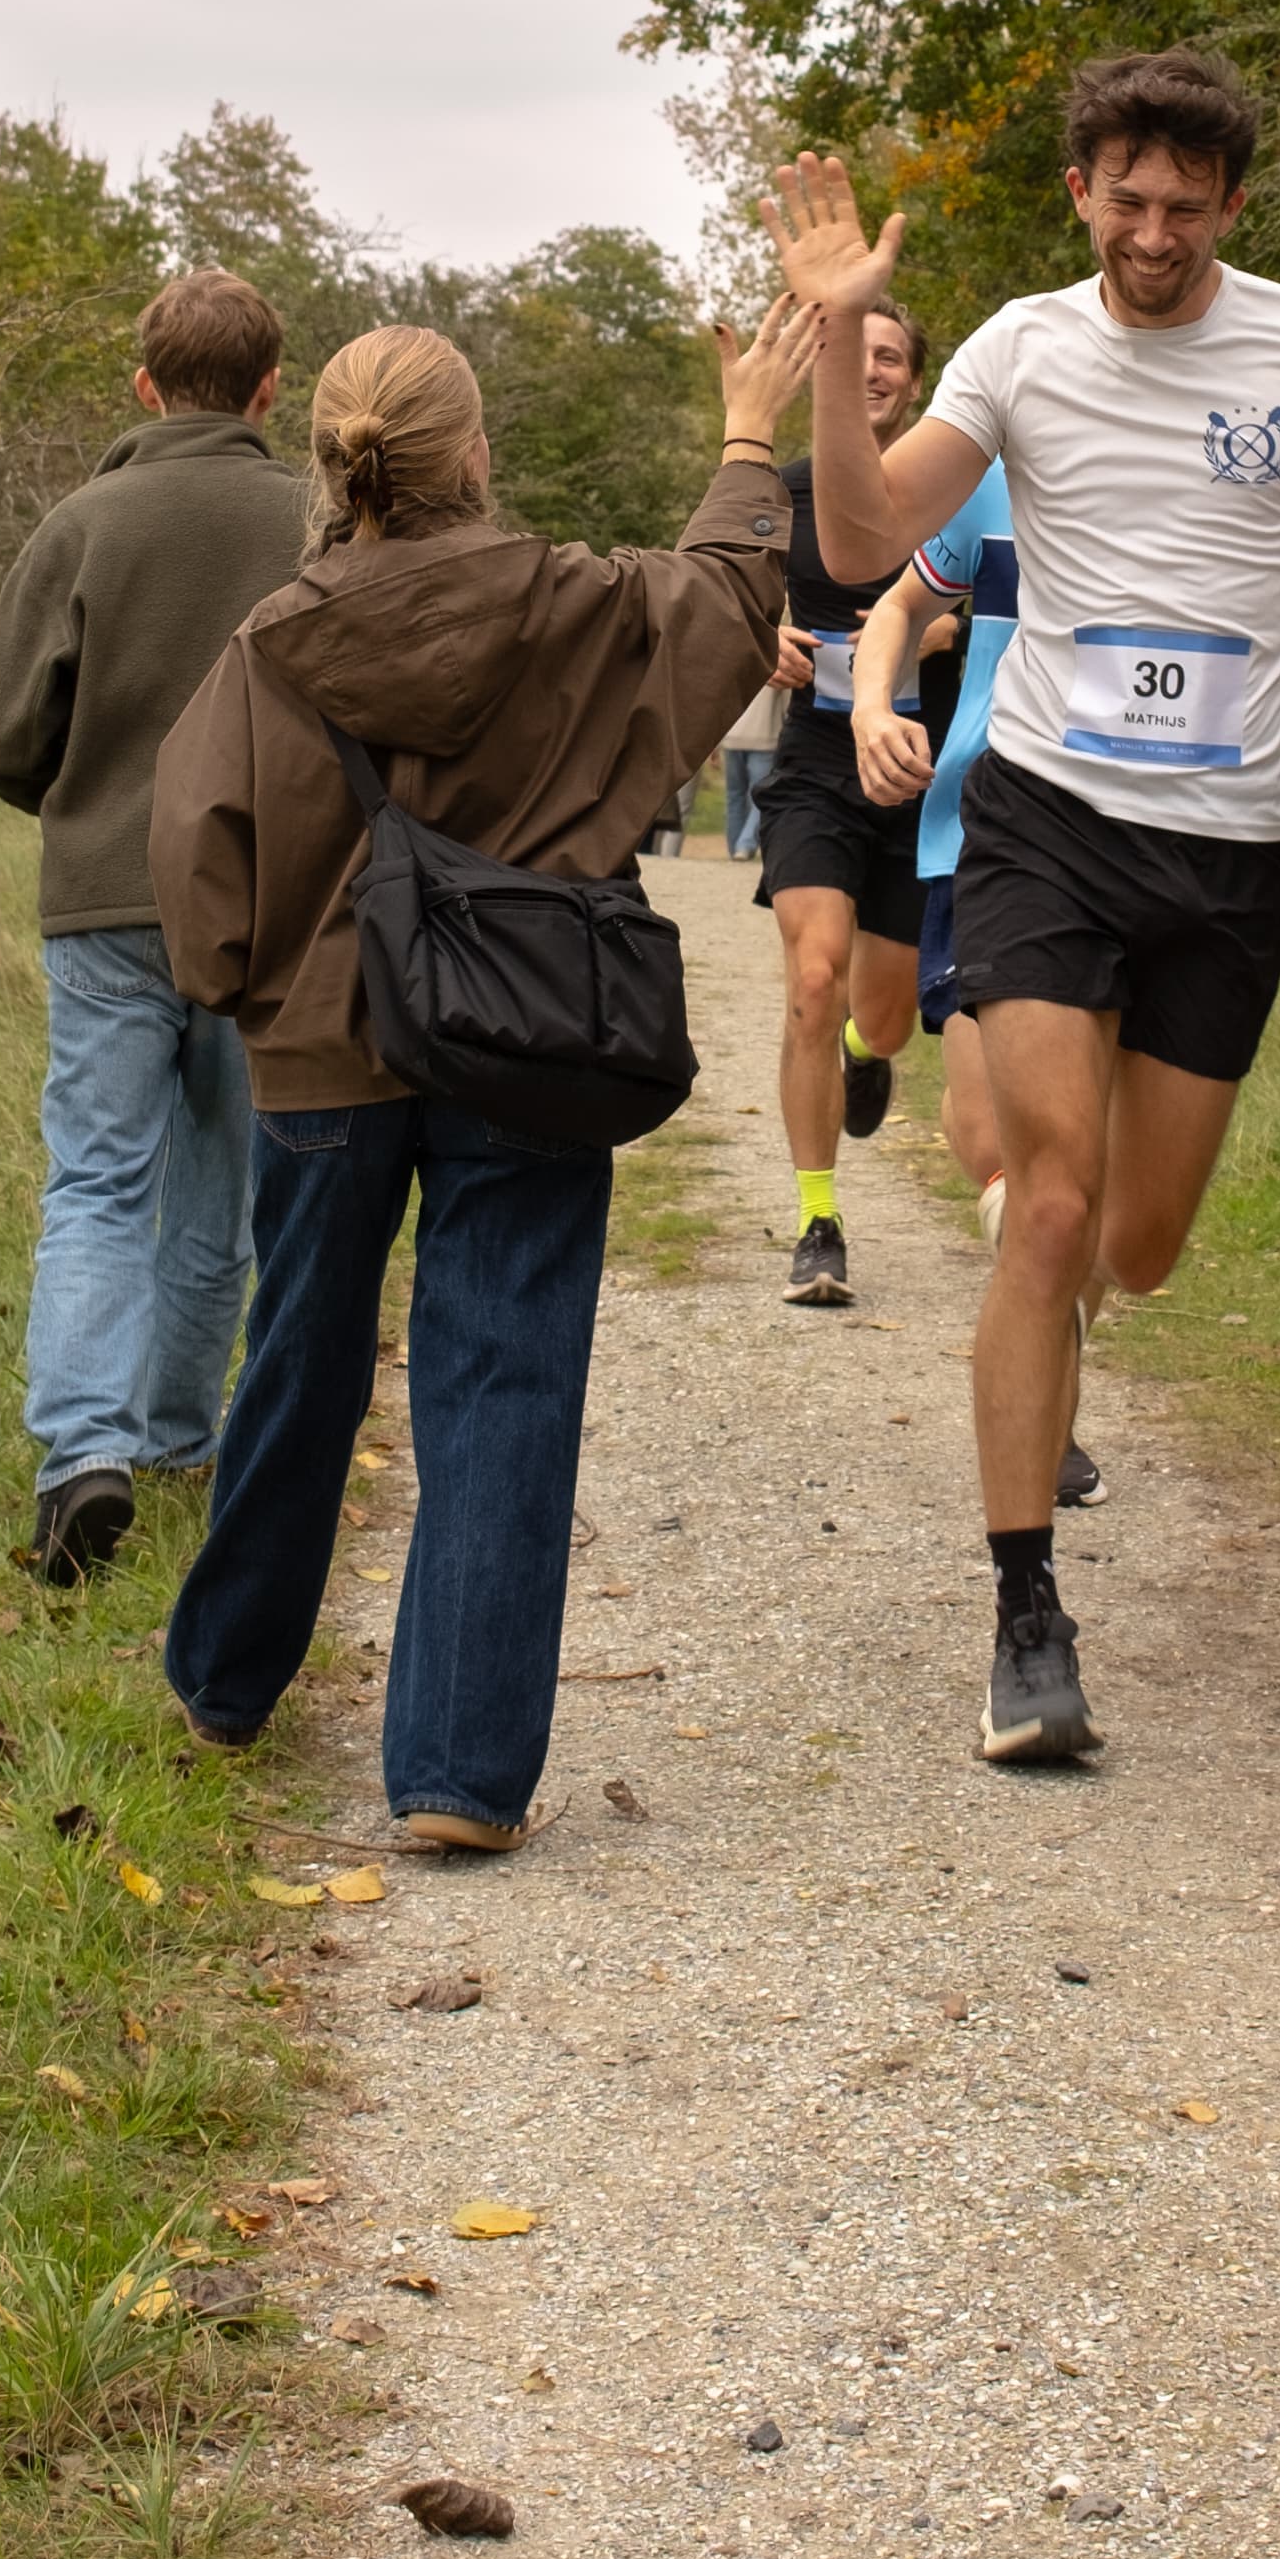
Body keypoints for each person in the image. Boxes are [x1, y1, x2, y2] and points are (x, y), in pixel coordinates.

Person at [770, 50, 1280, 1767]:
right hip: (1045, 820)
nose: (1149, 233)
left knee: (1136, 1248)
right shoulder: (1018, 347)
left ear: (1228, 206)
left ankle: (1072, 1341)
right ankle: (1024, 1617)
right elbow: (863, 549)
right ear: (1078, 193)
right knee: (1049, 1203)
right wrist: (833, 362)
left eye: (1182, 206)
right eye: (1121, 199)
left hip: (1231, 848)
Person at [149, 301, 807, 1848]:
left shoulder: (273, 637)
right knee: (502, 1373)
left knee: (299, 1358)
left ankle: (228, 1683)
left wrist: (250, 994)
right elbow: (719, 605)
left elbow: (196, 850)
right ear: (476, 454)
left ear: (329, 460)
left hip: (321, 1048)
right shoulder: (572, 599)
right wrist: (741, 435)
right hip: (525, 1024)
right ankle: (457, 1771)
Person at [852, 511, 1280, 1512]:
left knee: (1106, 1209)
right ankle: (1044, 1316)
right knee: (1000, 1145)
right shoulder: (1003, 456)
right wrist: (876, 701)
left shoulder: (1222, 493)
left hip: (1166, 855)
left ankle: (1049, 1380)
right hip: (985, 832)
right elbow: (901, 601)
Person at [0, 264, 310, 1586]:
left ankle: (81, 1457)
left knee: (99, 1182)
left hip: (105, 901)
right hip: (260, 905)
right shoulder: (313, 524)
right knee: (220, 1191)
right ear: (273, 389)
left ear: (142, 383)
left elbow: (0, 731)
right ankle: (175, 1440)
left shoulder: (82, 524)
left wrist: (80, 798)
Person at [754, 301, 935, 1307]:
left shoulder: (943, 482)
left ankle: (869, 1053)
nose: (872, 370)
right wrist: (764, 639)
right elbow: (726, 600)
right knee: (814, 980)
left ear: (911, 380)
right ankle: (817, 1221)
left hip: (918, 765)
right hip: (820, 761)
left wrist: (933, 634)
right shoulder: (784, 493)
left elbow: (1003, 602)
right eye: (856, 352)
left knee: (886, 1011)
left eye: (891, 356)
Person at [719, 676, 784, 863]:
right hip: (764, 736)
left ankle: (735, 848)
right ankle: (745, 845)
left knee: (734, 795)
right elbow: (788, 704)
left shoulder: (736, 663)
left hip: (732, 736)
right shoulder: (778, 660)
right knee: (759, 795)